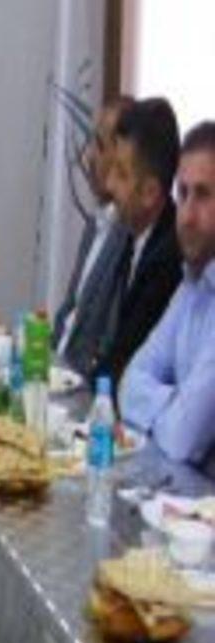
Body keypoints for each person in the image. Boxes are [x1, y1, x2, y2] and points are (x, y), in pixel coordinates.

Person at [120, 121, 215, 473]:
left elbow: (182, 441)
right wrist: (175, 402)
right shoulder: (192, 284)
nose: (186, 215)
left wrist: (165, 408)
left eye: (203, 195)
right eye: (183, 193)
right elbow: (128, 383)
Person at [99, 98, 182, 384]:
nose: (109, 184)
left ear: (150, 192)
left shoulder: (168, 260)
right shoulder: (134, 235)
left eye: (121, 174)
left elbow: (125, 362)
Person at [53, 95, 134, 378]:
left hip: (83, 388)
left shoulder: (129, 239)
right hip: (56, 372)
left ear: (123, 156)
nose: (88, 156)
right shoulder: (95, 224)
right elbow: (68, 313)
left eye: (99, 145)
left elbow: (106, 344)